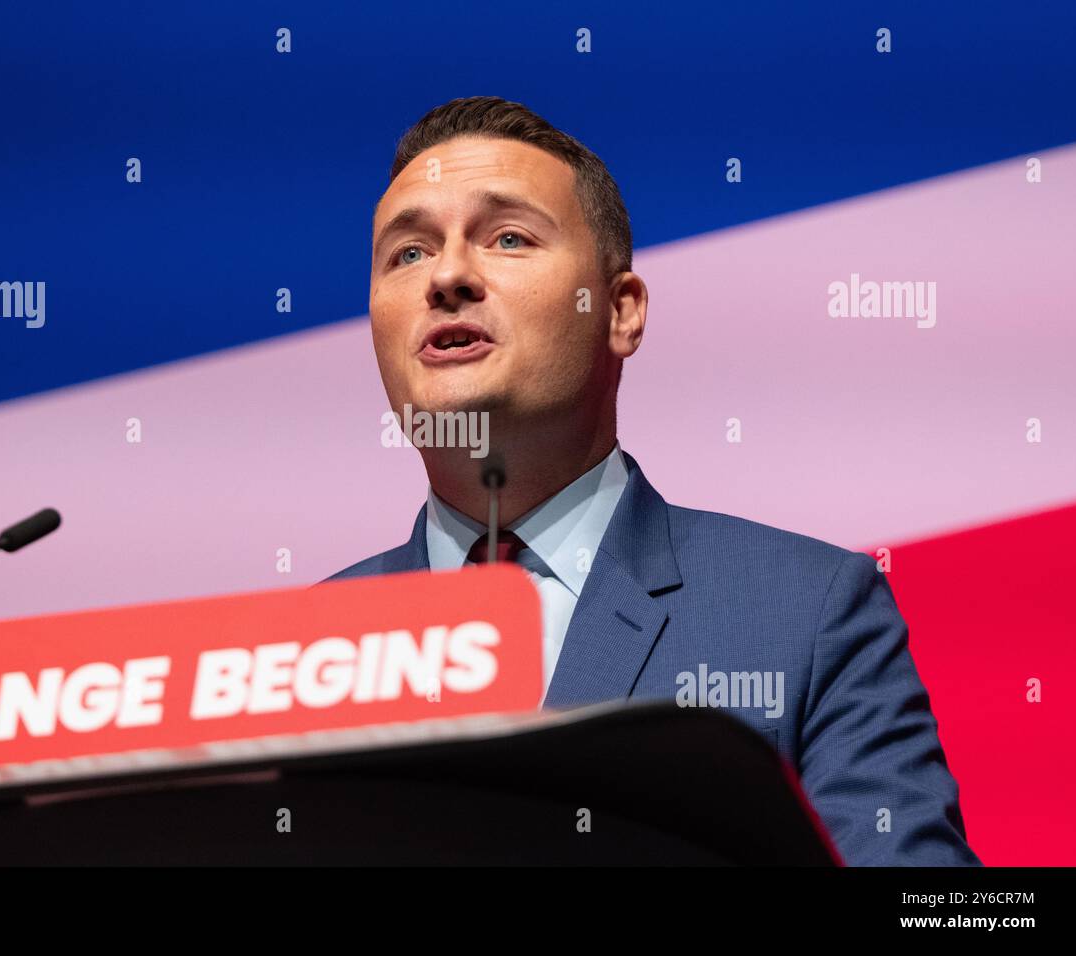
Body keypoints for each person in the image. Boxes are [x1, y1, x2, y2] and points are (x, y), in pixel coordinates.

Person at [329, 96, 979, 866]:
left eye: (507, 237)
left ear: (621, 311)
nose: (447, 276)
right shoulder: (295, 652)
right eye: (407, 252)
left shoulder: (809, 613)